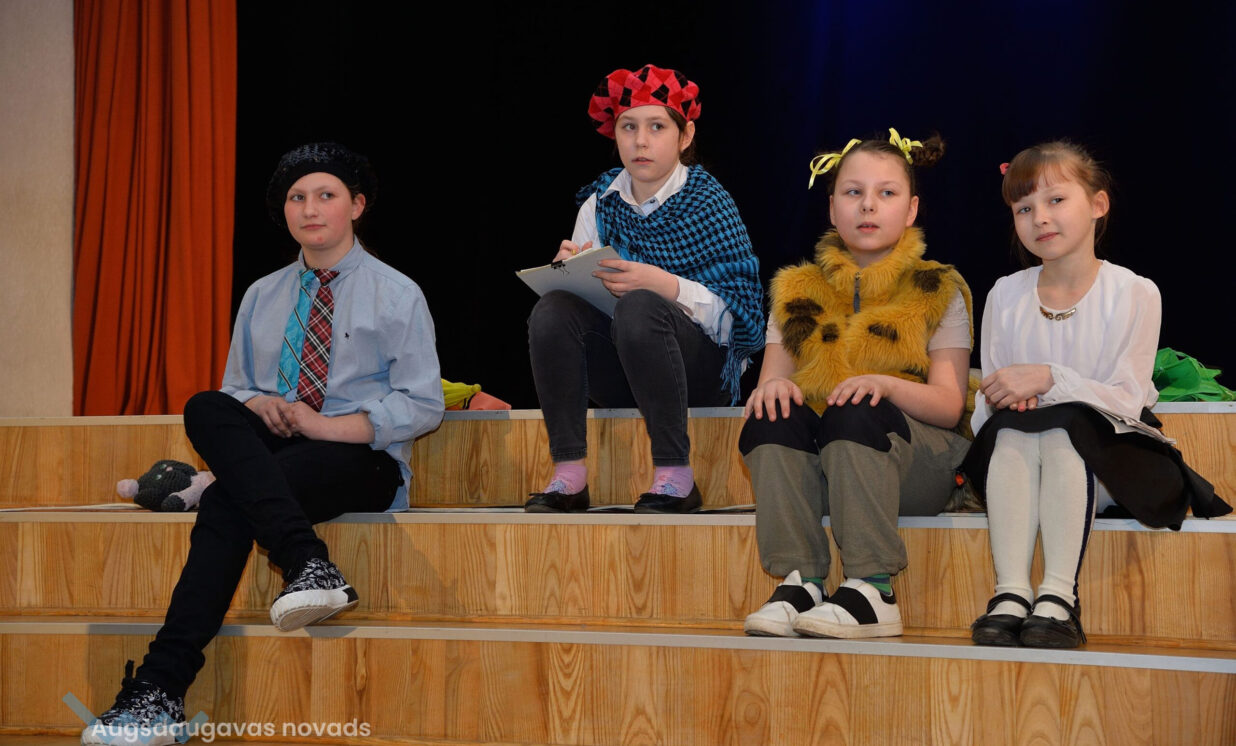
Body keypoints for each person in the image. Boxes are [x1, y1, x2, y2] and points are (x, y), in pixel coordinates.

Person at [82, 143, 444, 745]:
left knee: (228, 501)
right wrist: (260, 405)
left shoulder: (397, 292)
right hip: (276, 454)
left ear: (356, 206)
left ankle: (158, 689)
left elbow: (422, 404)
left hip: (361, 459)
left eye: (326, 195)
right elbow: (236, 388)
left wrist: (323, 425)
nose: (310, 209)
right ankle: (305, 561)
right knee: (206, 405)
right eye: (297, 198)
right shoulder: (262, 294)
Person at [964, 141, 1230, 649]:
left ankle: (1059, 596)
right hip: (1021, 460)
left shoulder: (1134, 291)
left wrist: (1049, 379)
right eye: (1024, 208)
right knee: (1017, 432)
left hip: (1115, 458)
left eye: (1056, 200)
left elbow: (1126, 401)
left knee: (1064, 432)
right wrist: (1007, 400)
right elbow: (990, 401)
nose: (1040, 218)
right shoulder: (1004, 294)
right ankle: (1011, 593)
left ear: (1098, 204)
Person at [740, 130, 974, 639]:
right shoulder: (795, 290)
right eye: (853, 192)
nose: (868, 205)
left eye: (886, 193)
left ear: (911, 209)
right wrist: (771, 389)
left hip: (913, 464)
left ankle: (874, 589)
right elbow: (770, 382)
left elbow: (948, 405)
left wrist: (886, 385)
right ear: (832, 207)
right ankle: (802, 582)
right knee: (771, 413)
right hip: (828, 469)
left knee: (856, 409)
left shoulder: (938, 287)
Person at [525, 64, 764, 514]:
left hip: (699, 373)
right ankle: (569, 475)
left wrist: (663, 284)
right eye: (628, 127)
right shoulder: (600, 201)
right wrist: (569, 273)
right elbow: (583, 307)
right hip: (625, 368)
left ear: (685, 136)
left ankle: (676, 476)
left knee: (640, 305)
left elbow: (742, 321)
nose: (640, 141)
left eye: (657, 127)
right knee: (553, 308)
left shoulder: (709, 201)